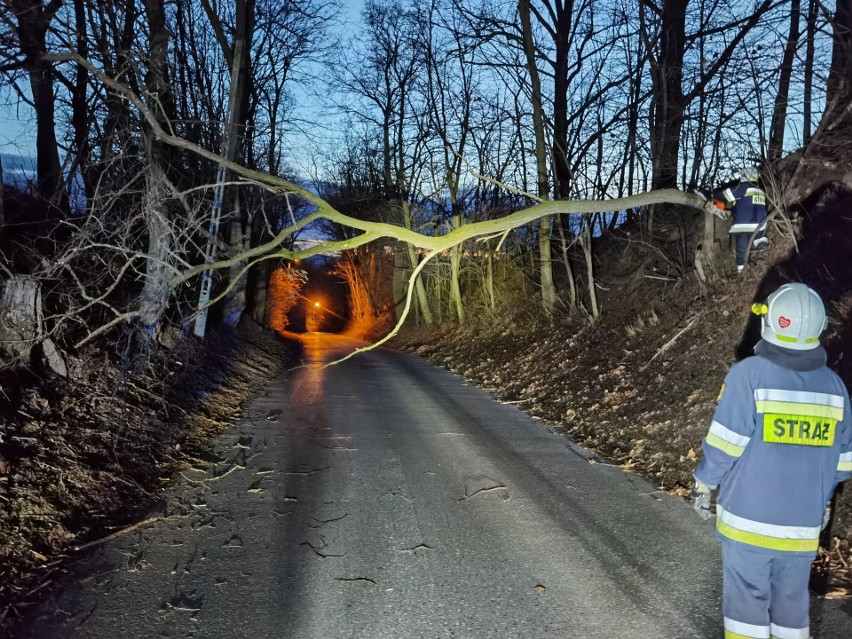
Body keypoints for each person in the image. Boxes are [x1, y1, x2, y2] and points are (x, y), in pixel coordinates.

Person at [691, 282, 852, 639]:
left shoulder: (749, 375)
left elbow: (724, 444)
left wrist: (703, 483)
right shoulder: (835, 389)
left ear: (772, 323)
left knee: (746, 608)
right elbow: (844, 462)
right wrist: (822, 501)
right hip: (801, 527)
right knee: (791, 609)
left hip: (749, 521)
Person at [704, 166, 769, 273]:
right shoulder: (760, 189)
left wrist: (712, 196)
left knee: (742, 246)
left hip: (744, 226)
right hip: (761, 225)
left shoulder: (742, 187)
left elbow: (725, 194)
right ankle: (761, 242)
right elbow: (747, 206)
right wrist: (731, 212)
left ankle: (742, 267)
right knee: (760, 233)